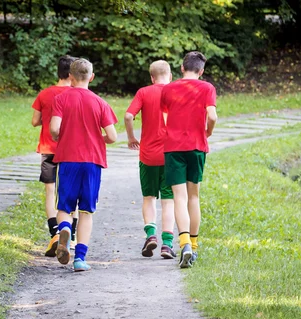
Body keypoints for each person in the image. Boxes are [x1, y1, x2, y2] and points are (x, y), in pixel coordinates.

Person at [50, 58, 118, 272]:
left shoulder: (61, 98)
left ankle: (64, 229)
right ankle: (80, 259)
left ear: (70, 77)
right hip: (92, 161)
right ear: (92, 77)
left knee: (64, 207)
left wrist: (63, 135)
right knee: (86, 211)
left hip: (68, 159)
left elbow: (54, 129)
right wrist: (101, 139)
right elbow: (113, 136)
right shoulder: (100, 102)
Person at [160, 51, 217, 268]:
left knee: (179, 197)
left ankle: (182, 242)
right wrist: (207, 131)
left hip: (173, 147)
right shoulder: (207, 88)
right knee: (194, 196)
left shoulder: (168, 89)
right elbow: (212, 116)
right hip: (196, 147)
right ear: (201, 71)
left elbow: (165, 117)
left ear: (182, 68)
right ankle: (193, 246)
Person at [124, 60, 176, 259]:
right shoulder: (175, 92)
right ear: (170, 76)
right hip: (171, 155)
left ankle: (151, 235)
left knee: (149, 198)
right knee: (169, 200)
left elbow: (129, 116)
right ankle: (167, 244)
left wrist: (130, 138)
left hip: (148, 156)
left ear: (152, 78)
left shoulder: (144, 92)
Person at [31, 55, 80, 257]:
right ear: (72, 74)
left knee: (51, 191)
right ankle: (72, 235)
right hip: (71, 150)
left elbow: (35, 121)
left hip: (48, 149)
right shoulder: (78, 94)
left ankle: (54, 233)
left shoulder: (45, 94)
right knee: (72, 193)